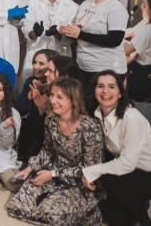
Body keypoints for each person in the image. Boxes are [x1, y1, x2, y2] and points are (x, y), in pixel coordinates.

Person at [8, 78, 104, 226]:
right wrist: (29, 168)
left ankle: (90, 214)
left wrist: (52, 174)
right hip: (52, 174)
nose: (52, 100)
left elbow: (90, 169)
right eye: (52, 95)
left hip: (79, 183)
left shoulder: (91, 128)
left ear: (74, 100)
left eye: (59, 97)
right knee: (16, 208)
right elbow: (48, 150)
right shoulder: (52, 119)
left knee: (47, 215)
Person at [83, 70, 151, 226]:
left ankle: (145, 221)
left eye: (112, 86)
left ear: (120, 93)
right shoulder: (96, 115)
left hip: (150, 175)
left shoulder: (133, 118)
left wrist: (91, 171)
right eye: (100, 86)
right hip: (128, 176)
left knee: (108, 178)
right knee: (114, 218)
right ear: (94, 90)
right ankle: (138, 203)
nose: (105, 91)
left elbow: (127, 163)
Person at [59, 0, 128, 81]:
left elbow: (115, 40)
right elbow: (80, 30)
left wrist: (80, 35)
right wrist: (68, 31)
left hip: (107, 69)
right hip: (83, 66)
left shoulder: (115, 8)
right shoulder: (85, 4)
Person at [19, 0, 78, 87]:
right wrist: (35, 32)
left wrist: (56, 33)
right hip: (35, 53)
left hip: (60, 54)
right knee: (29, 88)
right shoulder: (33, 4)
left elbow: (69, 38)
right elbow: (27, 30)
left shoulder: (73, 7)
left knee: (58, 88)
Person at [125, 0, 151, 101]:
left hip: (142, 75)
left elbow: (127, 49)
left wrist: (114, 36)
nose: (142, 7)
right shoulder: (147, 22)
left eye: (145, 4)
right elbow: (132, 32)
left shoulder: (150, 29)